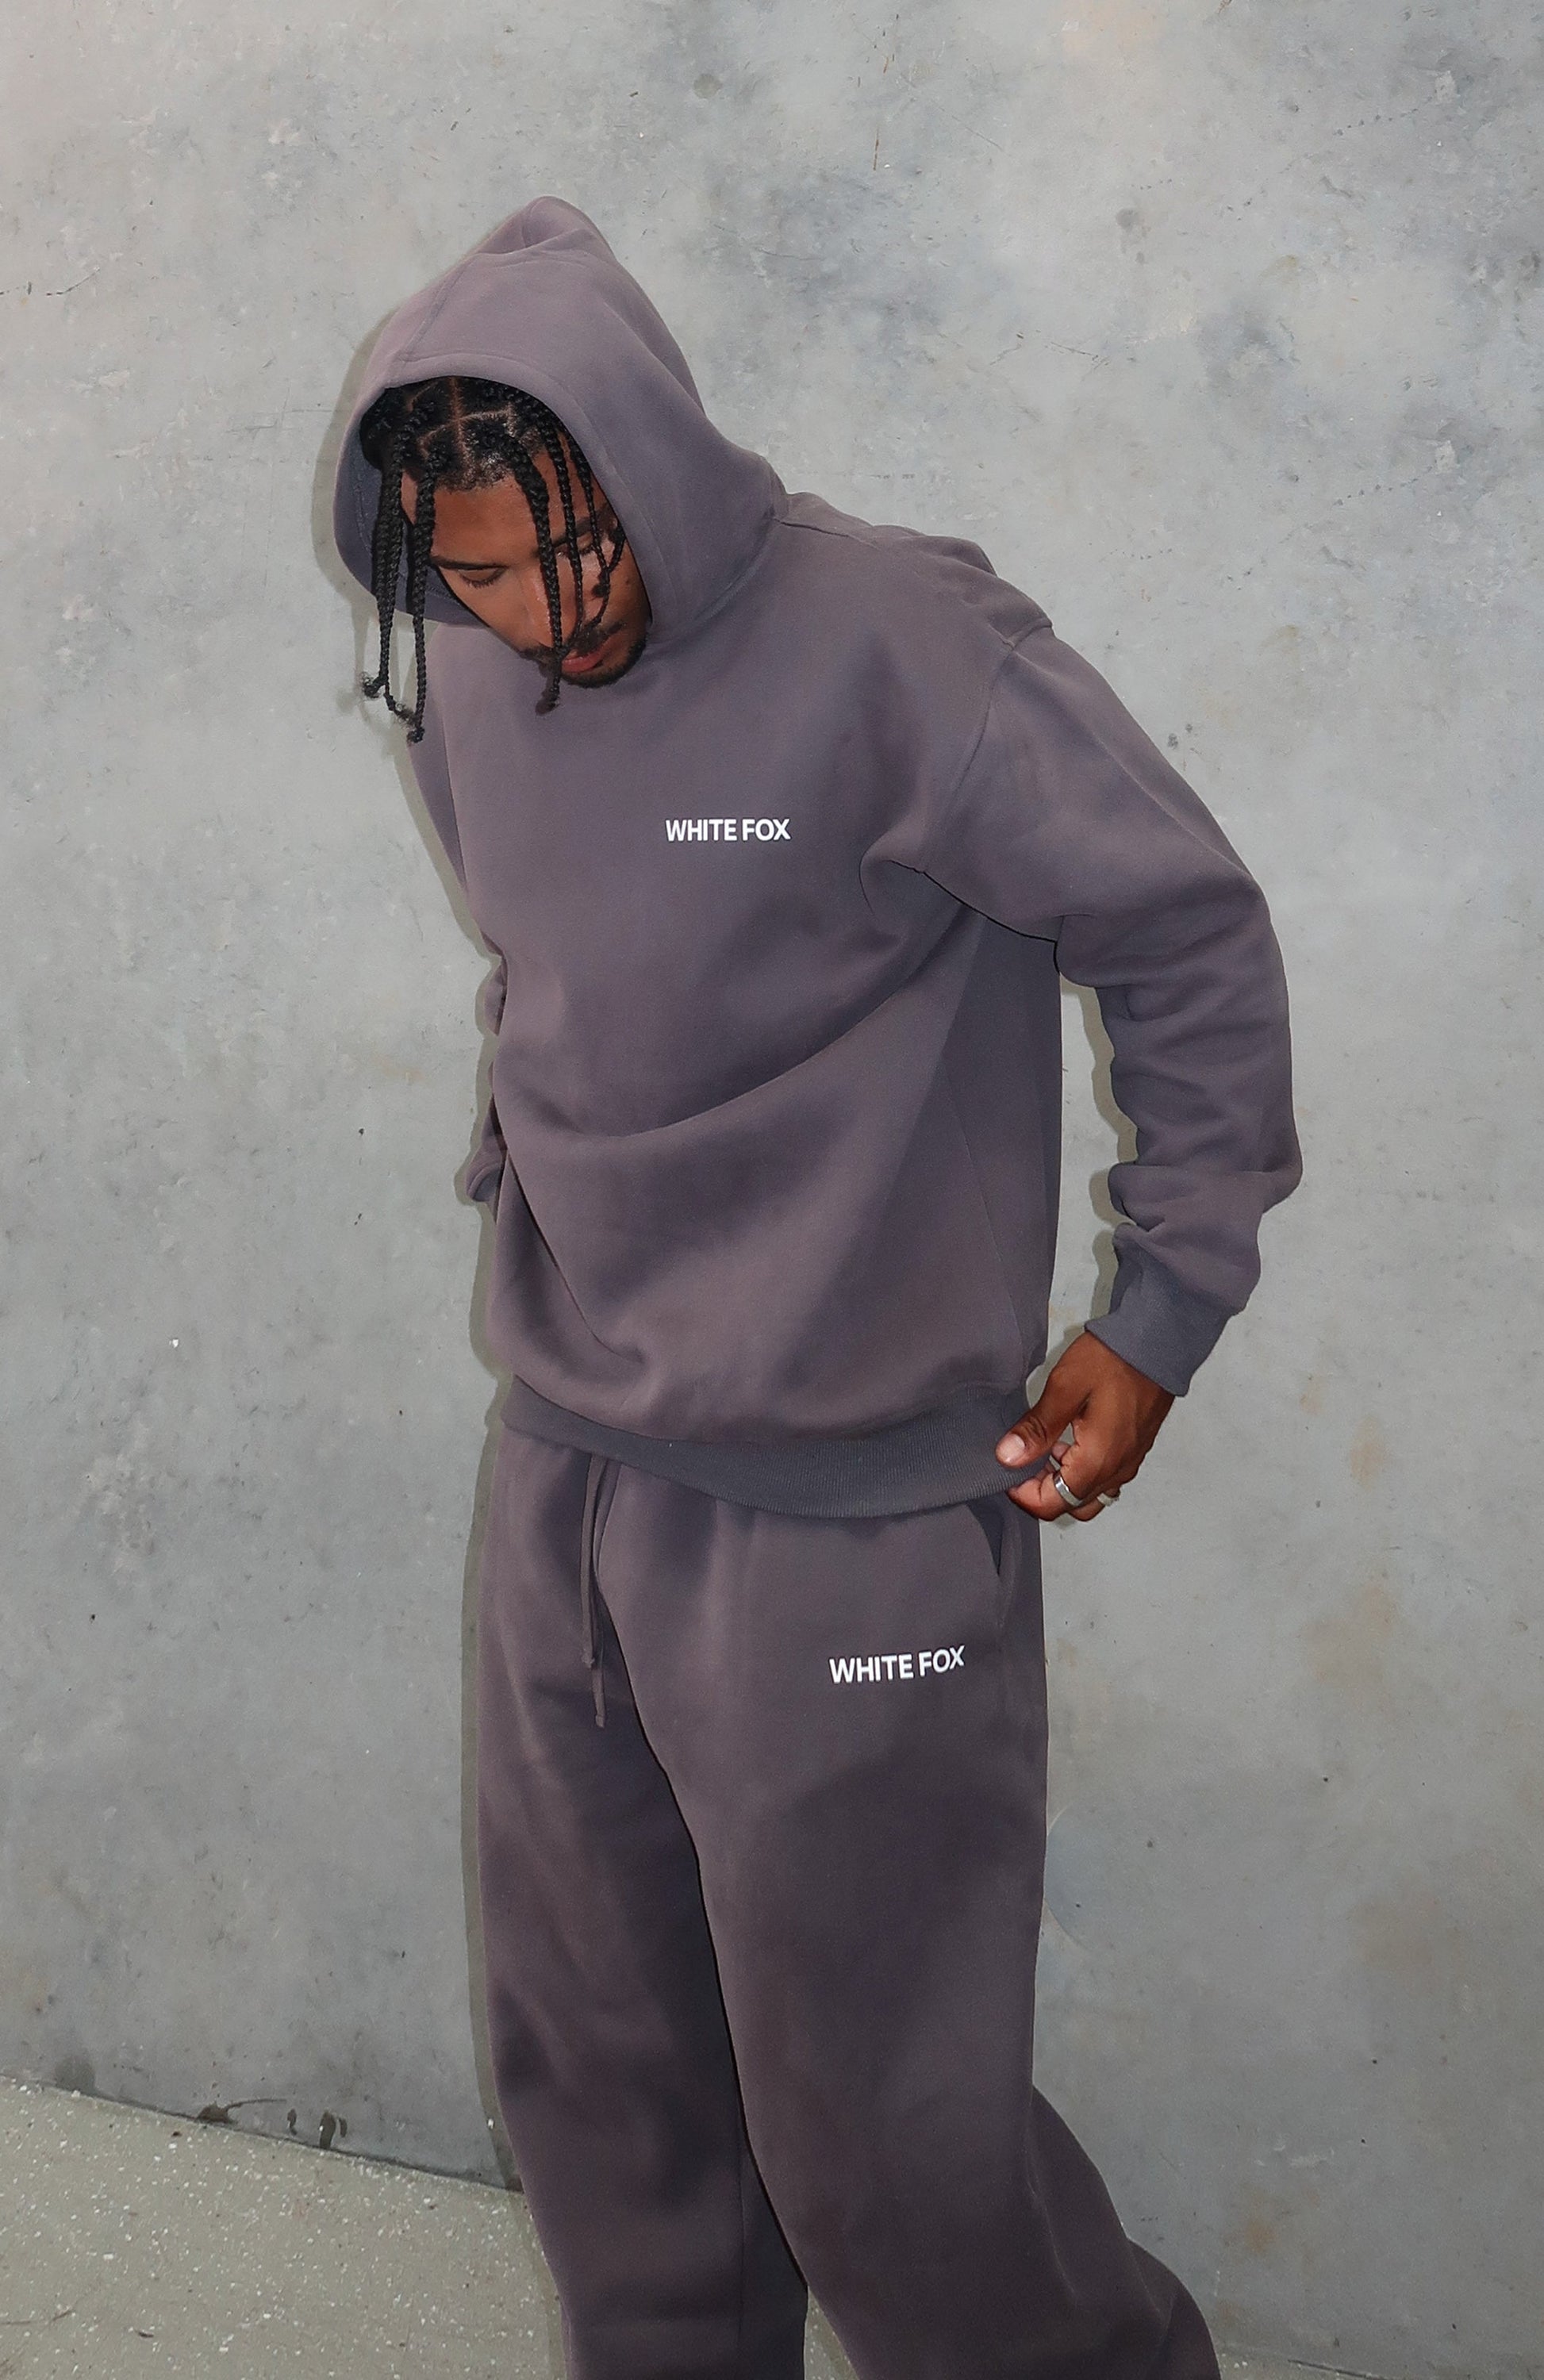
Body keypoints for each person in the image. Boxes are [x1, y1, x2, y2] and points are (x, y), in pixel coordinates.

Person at [331, 195, 1300, 2380]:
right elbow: (556, 961)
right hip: (567, 1477)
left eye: (568, 552)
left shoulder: (903, 650)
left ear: (653, 461)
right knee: (608, 2096)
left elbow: (1185, 936)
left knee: (886, 2142)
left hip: (846, 1515)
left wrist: (1161, 1309)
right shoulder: (471, 661)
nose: (533, 616)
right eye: (472, 577)